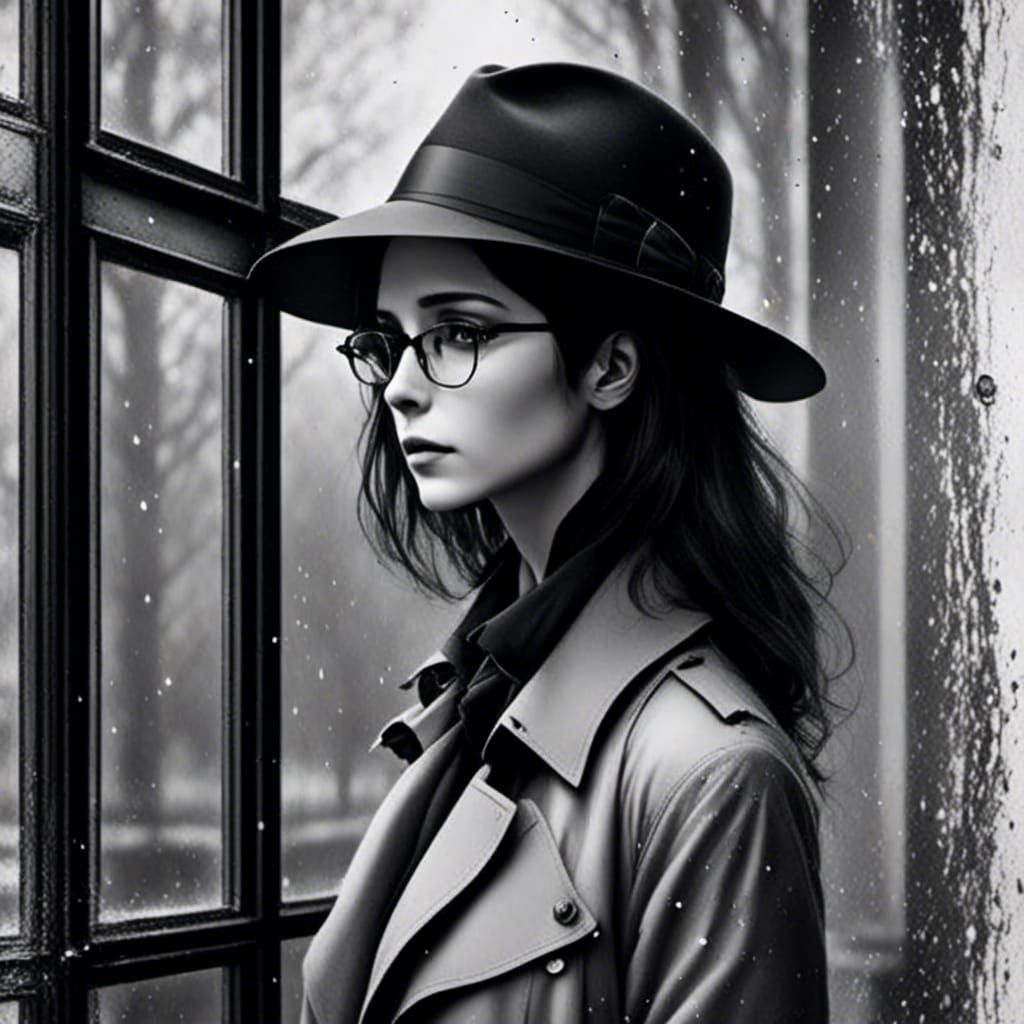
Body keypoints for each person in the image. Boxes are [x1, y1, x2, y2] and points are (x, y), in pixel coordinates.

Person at [250, 61, 850, 1024]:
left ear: (611, 365)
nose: (401, 386)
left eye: (456, 333)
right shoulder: (480, 696)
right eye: (387, 340)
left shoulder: (710, 773)